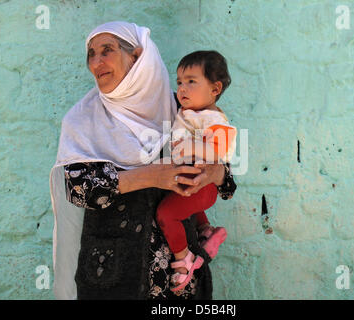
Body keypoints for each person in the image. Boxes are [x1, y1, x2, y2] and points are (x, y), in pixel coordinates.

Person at [49, 21, 236, 300]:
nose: (96, 62)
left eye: (106, 50)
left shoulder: (181, 109)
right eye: (91, 53)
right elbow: (80, 190)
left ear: (136, 56)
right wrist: (152, 175)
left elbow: (228, 183)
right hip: (112, 271)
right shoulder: (84, 120)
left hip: (178, 277)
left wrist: (214, 173)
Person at [156, 51, 237, 292]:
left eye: (191, 81)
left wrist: (192, 146)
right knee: (184, 201)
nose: (182, 88)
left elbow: (222, 153)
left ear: (215, 89)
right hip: (191, 180)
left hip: (202, 185)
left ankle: (184, 262)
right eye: (179, 82)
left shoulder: (213, 118)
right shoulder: (189, 111)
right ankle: (205, 231)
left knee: (166, 214)